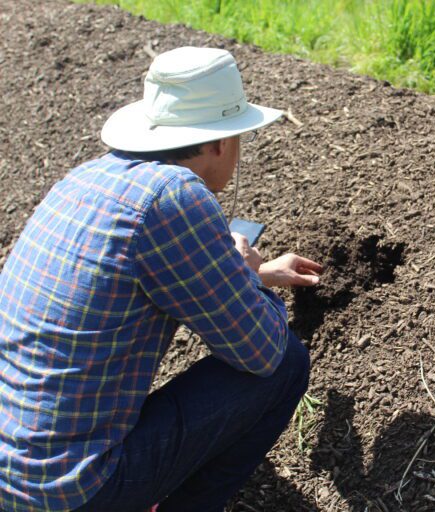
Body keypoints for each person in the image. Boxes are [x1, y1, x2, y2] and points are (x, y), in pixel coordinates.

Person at [0, 46, 322, 512]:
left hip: (14, 467)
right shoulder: (175, 196)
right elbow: (262, 351)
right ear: (220, 142)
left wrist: (253, 270)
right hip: (67, 491)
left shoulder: (87, 177)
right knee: (287, 362)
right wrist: (239, 271)